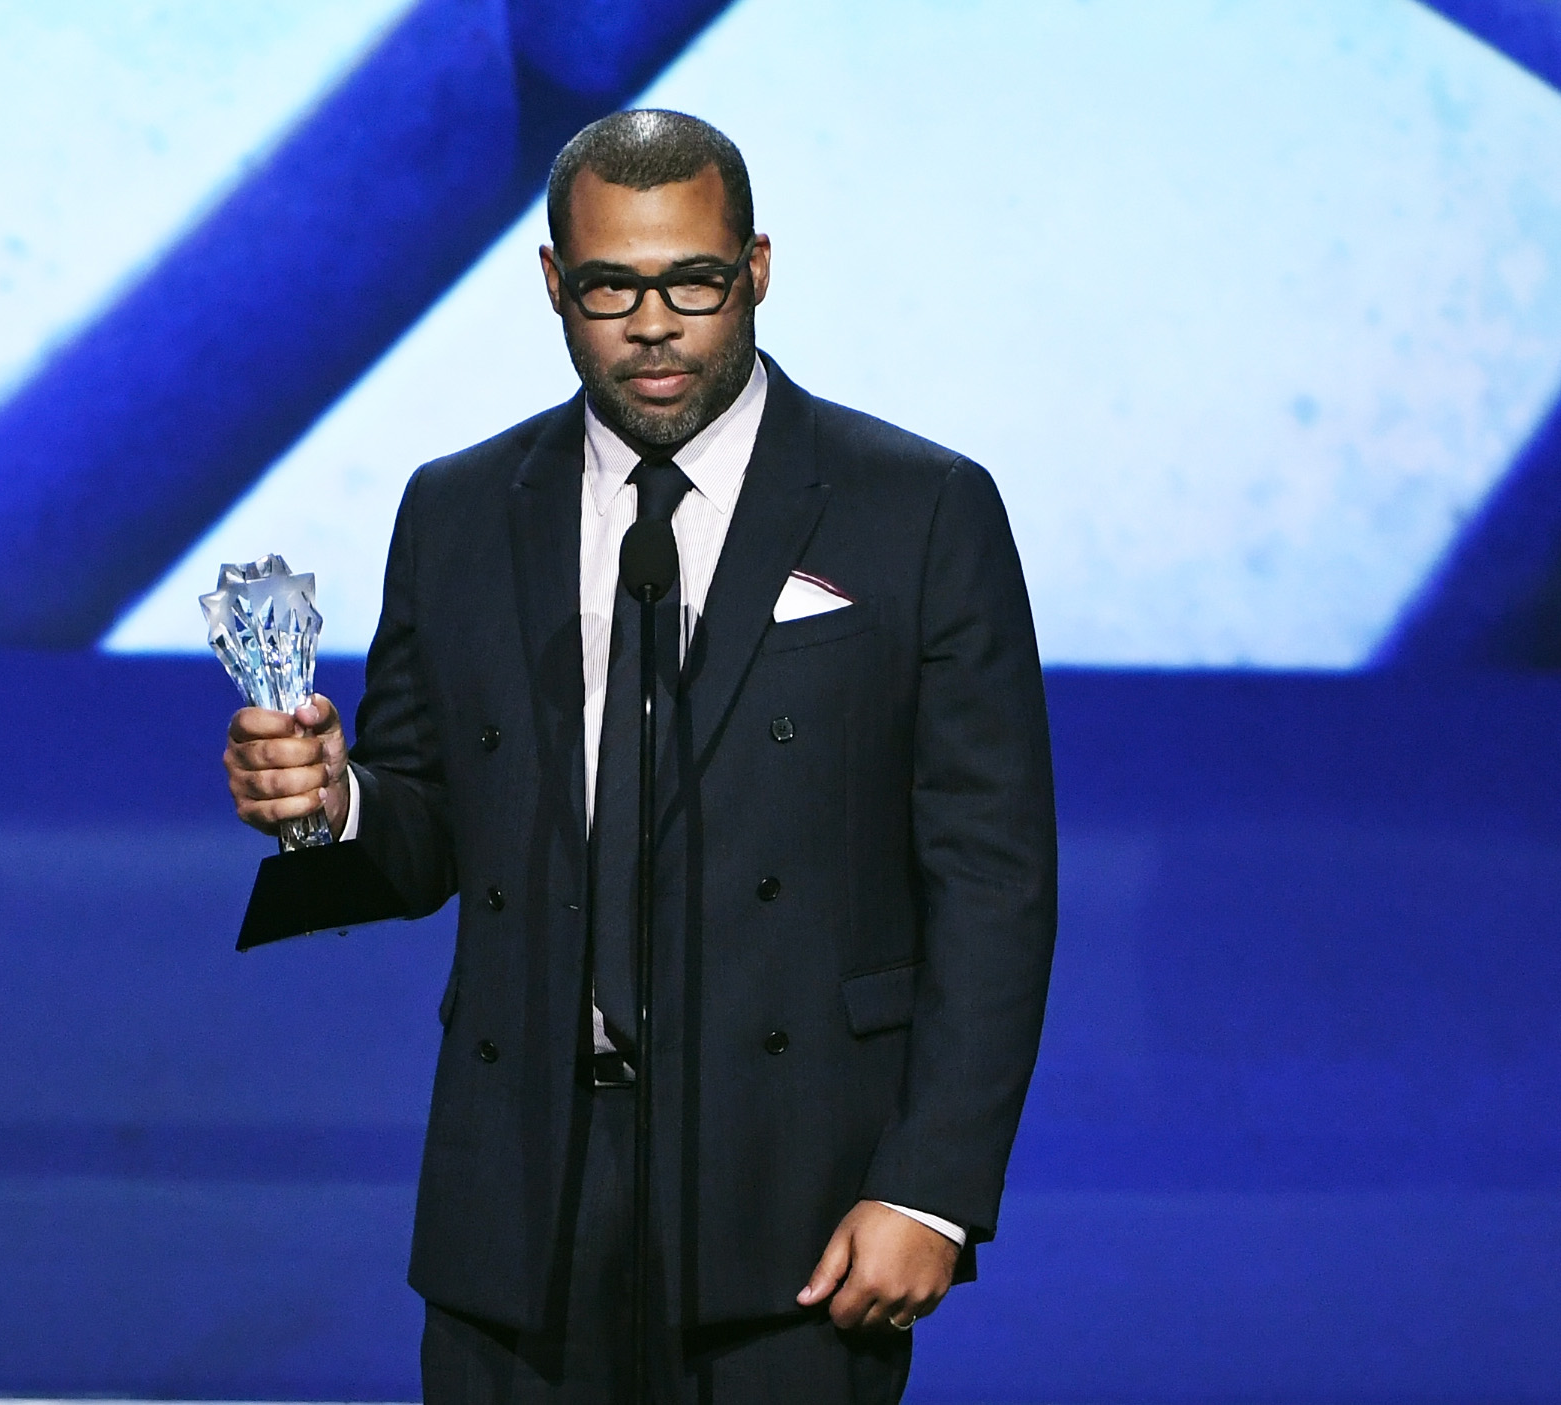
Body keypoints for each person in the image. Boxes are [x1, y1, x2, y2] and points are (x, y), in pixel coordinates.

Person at [222, 110, 1056, 1404]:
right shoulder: (459, 509)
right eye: (611, 285)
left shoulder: (919, 507)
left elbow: (992, 880)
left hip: (797, 1194)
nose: (653, 322)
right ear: (555, 282)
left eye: (693, 282)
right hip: (523, 1194)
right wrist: (333, 808)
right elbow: (428, 824)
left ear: (758, 269)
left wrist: (933, 1186)